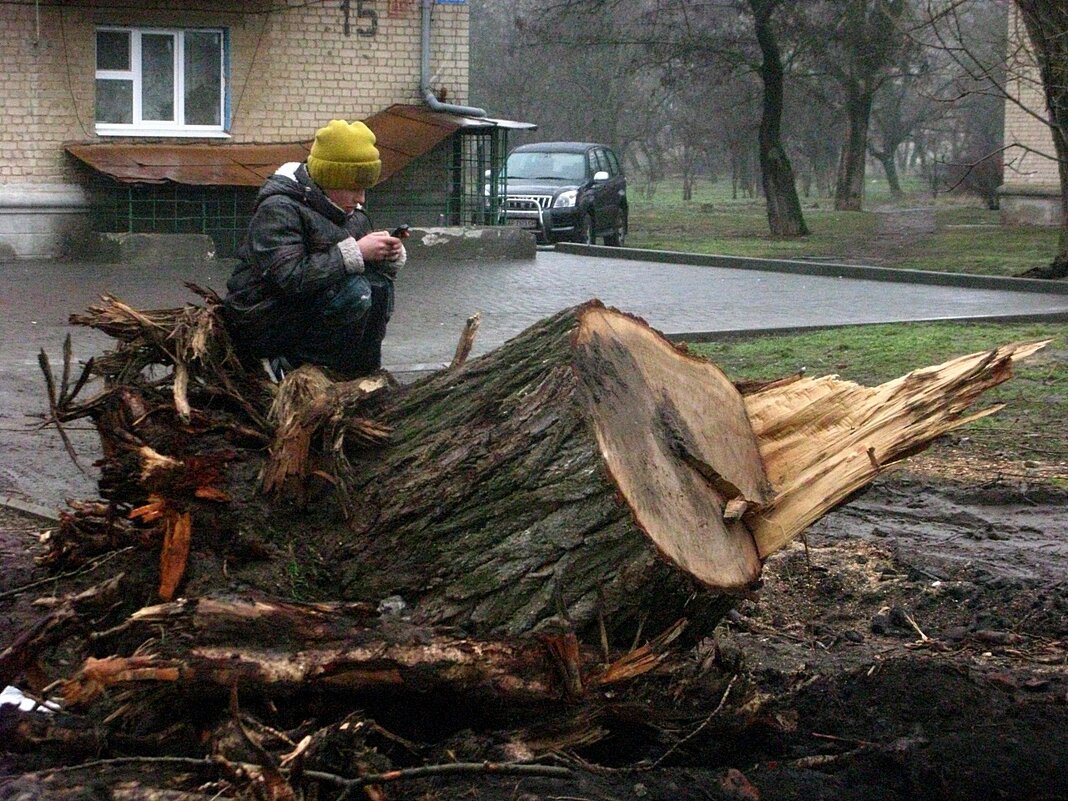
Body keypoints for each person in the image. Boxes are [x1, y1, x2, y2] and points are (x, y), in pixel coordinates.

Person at [223, 119, 406, 380]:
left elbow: (359, 261)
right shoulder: (279, 208)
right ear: (329, 180)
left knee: (378, 286)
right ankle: (299, 371)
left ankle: (359, 375)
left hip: (306, 308)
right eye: (353, 188)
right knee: (355, 293)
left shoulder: (351, 212)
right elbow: (288, 278)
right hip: (263, 318)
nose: (361, 198)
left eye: (365, 188)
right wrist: (356, 252)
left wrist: (387, 254)